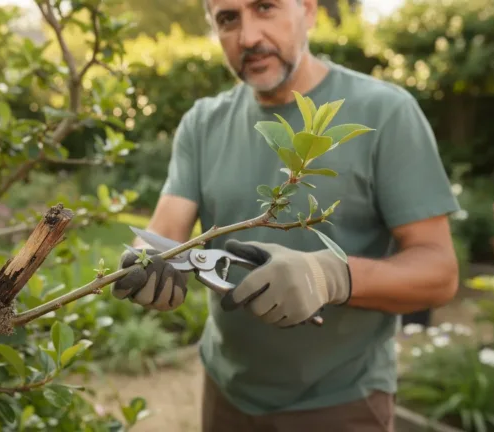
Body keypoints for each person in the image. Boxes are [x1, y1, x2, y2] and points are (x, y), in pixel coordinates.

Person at [110, 0, 461, 431]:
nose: (249, 36)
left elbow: (440, 272)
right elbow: (163, 233)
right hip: (226, 393)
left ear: (309, 11)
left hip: (342, 403)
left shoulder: (385, 112)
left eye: (265, 7)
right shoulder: (202, 123)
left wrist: (330, 275)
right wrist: (143, 261)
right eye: (228, 18)